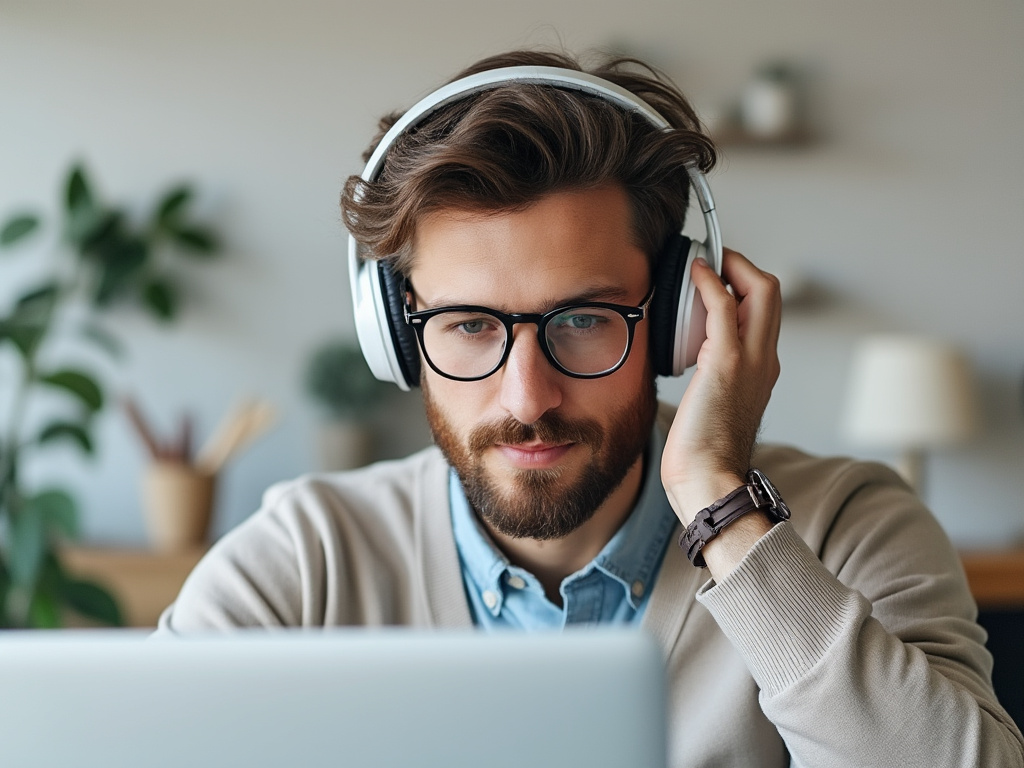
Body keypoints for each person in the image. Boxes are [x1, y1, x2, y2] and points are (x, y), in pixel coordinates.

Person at [156, 50, 1024, 766]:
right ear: (394, 332)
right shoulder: (306, 563)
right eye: (466, 326)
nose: (528, 397)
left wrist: (721, 505)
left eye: (582, 319)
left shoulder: (848, 530)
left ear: (681, 321)